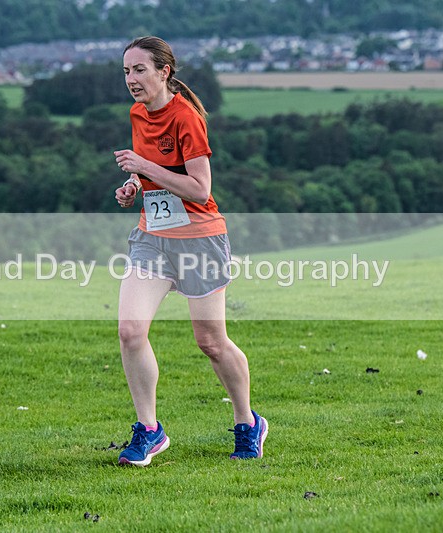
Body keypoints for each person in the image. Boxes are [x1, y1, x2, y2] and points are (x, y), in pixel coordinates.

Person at [113, 36, 267, 466]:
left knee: (211, 342)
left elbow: (200, 188)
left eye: (139, 70)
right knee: (130, 331)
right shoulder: (138, 113)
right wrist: (134, 187)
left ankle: (247, 422)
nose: (131, 80)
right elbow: (156, 177)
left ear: (164, 71)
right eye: (126, 71)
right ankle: (149, 430)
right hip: (153, 237)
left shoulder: (185, 117)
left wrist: (144, 167)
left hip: (199, 237)